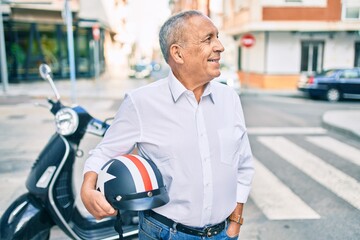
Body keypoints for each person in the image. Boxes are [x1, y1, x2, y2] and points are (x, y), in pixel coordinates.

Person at [81, 10, 254, 239]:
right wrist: (87, 189)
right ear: (178, 53)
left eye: (217, 37)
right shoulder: (141, 102)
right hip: (164, 233)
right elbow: (104, 152)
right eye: (208, 39)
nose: (220, 46)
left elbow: (243, 164)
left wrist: (235, 223)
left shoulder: (229, 98)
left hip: (223, 233)